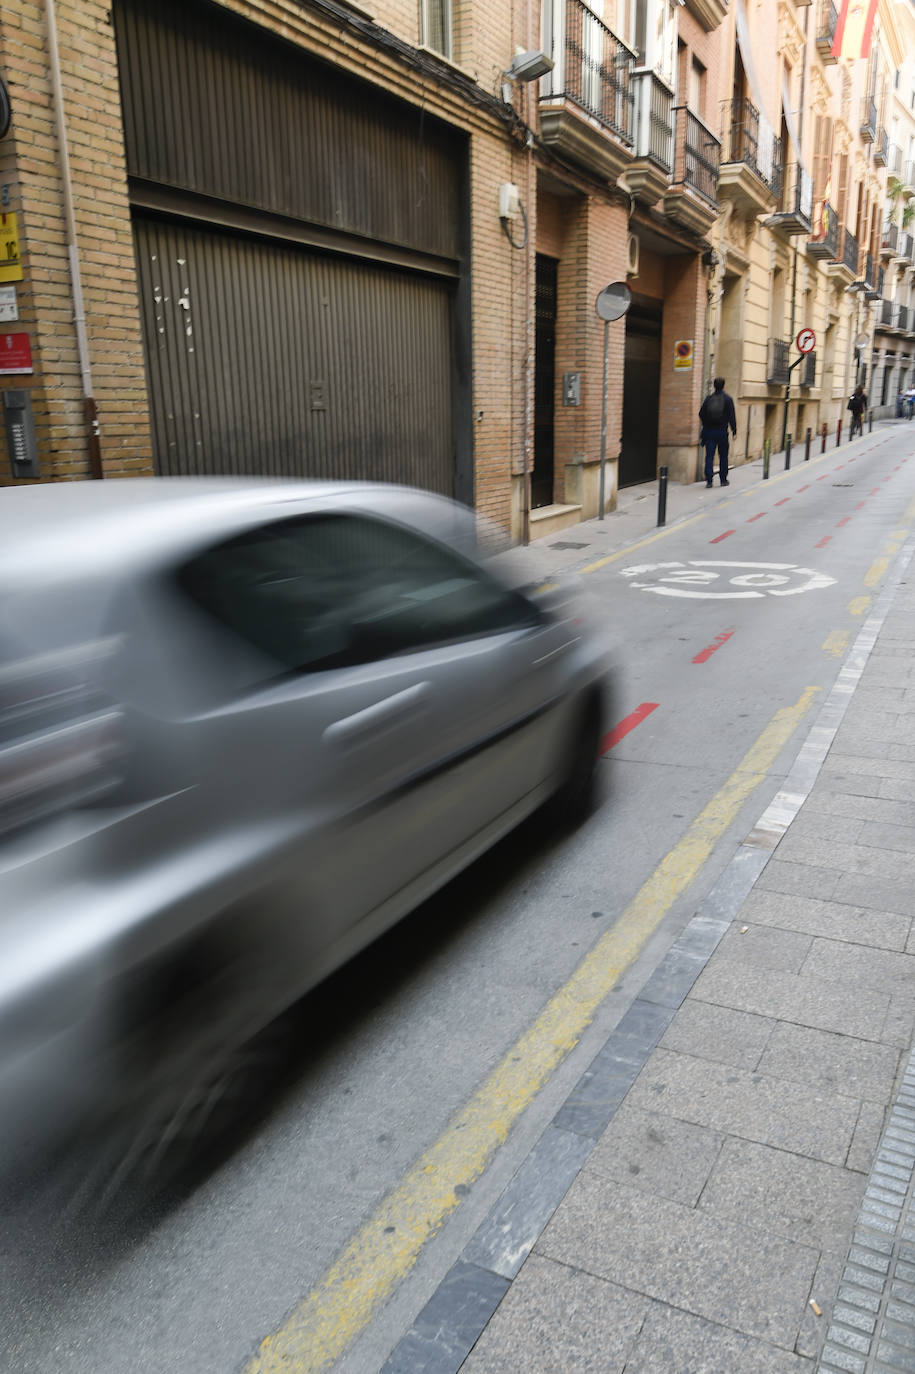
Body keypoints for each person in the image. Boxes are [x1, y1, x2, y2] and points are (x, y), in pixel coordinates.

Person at [699, 378, 737, 487]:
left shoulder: (708, 399)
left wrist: (706, 424)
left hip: (709, 432)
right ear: (723, 386)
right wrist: (734, 431)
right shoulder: (728, 399)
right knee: (723, 456)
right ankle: (723, 480)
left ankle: (709, 481)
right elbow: (732, 416)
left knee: (709, 456)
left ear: (714, 386)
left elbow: (701, 413)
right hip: (722, 432)